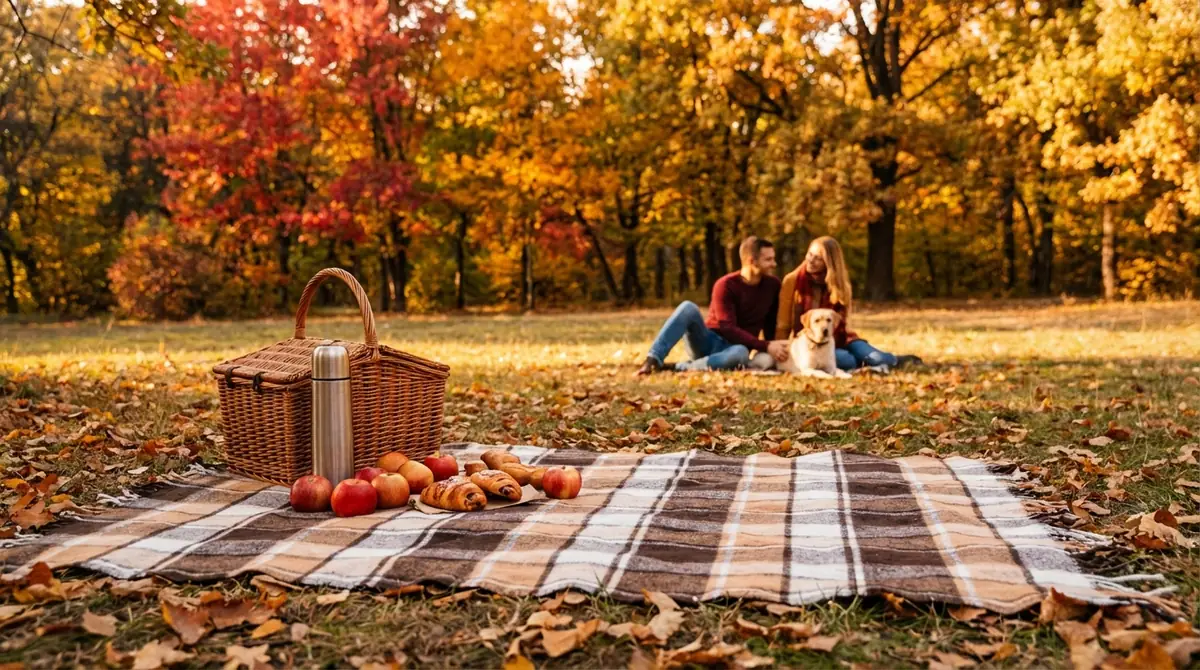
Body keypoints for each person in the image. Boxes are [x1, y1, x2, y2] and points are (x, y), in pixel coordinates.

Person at [637, 236, 789, 375]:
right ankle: (653, 360)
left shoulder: (773, 285)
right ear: (751, 261)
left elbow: (770, 323)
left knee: (740, 353)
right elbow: (727, 328)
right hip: (707, 342)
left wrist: (773, 349)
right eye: (768, 260)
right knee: (687, 307)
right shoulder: (725, 285)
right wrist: (765, 345)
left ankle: (681, 367)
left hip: (735, 351)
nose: (773, 264)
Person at [776, 236, 922, 371]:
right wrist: (780, 350)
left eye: (818, 258)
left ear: (829, 263)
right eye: (810, 254)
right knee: (846, 361)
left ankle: (894, 360)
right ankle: (861, 363)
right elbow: (783, 323)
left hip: (842, 338)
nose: (811, 260)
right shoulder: (792, 280)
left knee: (877, 359)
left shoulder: (840, 284)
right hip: (811, 343)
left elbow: (844, 322)